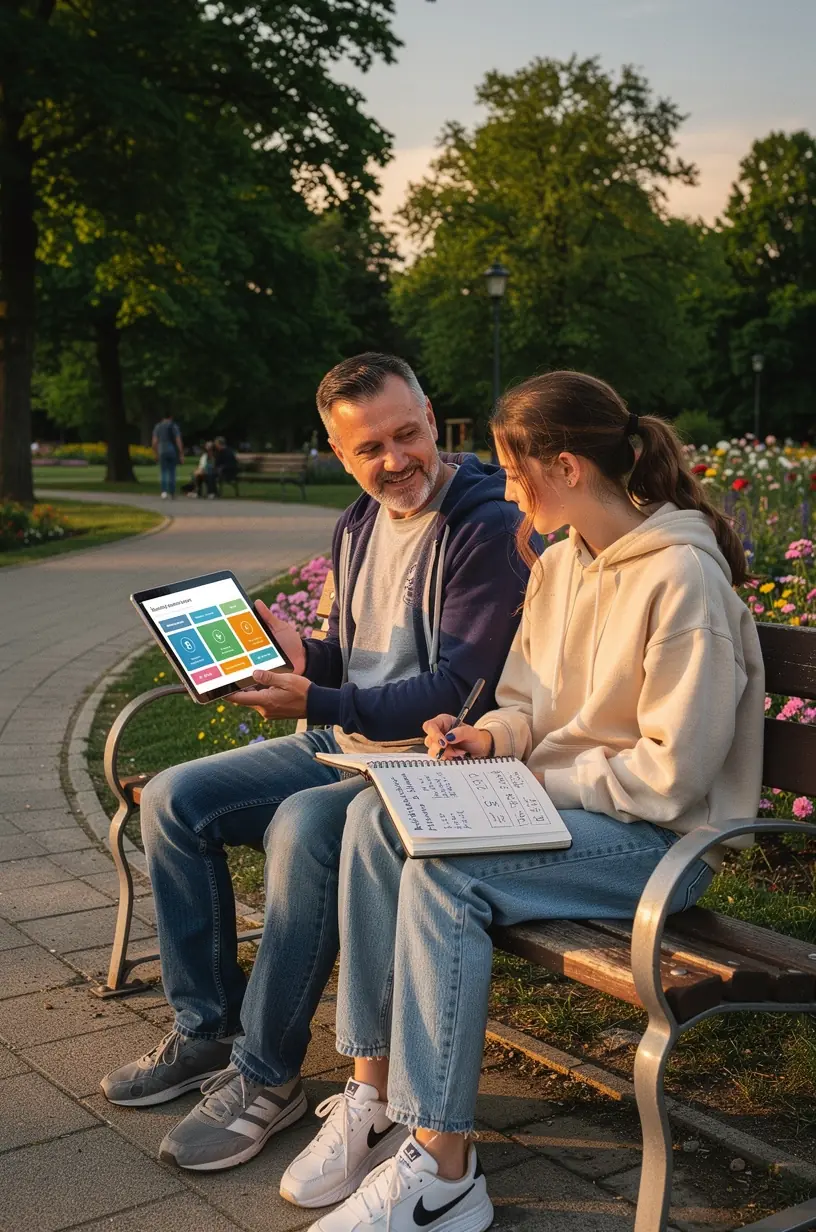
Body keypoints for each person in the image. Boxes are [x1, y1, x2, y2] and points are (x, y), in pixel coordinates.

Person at [290, 370, 765, 1232]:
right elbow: (525, 700)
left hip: (658, 845)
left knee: (444, 880)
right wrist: (489, 741)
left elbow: (671, 779)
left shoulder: (681, 579)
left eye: (515, 473)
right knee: (371, 821)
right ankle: (373, 1093)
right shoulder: (561, 564)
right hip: (563, 813)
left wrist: (536, 780)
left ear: (569, 468)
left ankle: (443, 1170)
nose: (505, 492)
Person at [100, 352, 531, 1176]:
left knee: (304, 826)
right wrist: (310, 659)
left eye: (407, 435)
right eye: (369, 448)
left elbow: (461, 693)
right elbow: (361, 664)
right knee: (176, 798)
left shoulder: (482, 523)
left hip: (432, 765)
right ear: (339, 451)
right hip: (346, 745)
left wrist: (318, 701)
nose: (394, 460)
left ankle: (267, 1078)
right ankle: (206, 1033)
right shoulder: (359, 523)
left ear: (433, 417)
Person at [152, 414, 184, 499]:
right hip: (172, 450)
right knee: (172, 472)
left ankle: (164, 491)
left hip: (161, 450)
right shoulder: (174, 426)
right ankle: (172, 492)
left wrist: (155, 452)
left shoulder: (158, 427)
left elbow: (155, 441)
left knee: (163, 471)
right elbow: (178, 440)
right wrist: (181, 453)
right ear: (171, 417)